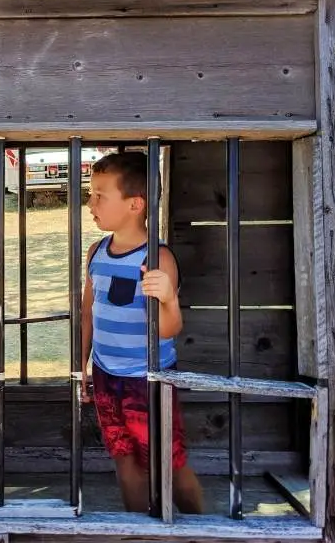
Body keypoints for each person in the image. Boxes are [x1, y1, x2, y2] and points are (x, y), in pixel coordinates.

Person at [82, 150, 204, 515]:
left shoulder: (157, 258)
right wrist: (81, 366)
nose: (91, 203)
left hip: (148, 380)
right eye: (92, 193)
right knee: (124, 460)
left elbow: (168, 330)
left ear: (135, 204)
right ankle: (139, 530)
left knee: (169, 461)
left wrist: (169, 300)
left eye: (100, 195)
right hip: (106, 375)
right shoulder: (96, 252)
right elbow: (88, 312)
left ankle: (203, 529)